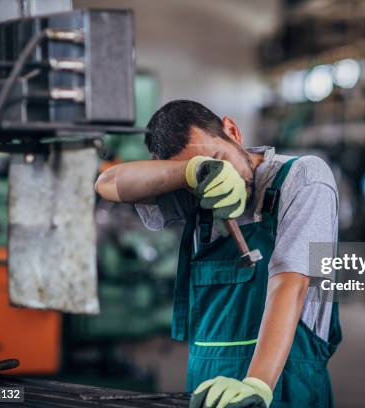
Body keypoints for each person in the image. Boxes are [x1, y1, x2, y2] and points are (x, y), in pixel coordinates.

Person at [95, 100, 341, 408]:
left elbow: (291, 284)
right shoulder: (195, 192)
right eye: (206, 171)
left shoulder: (303, 177)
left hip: (282, 382)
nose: (222, 177)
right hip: (208, 386)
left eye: (218, 158)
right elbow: (108, 183)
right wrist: (192, 173)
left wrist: (257, 385)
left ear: (233, 132)